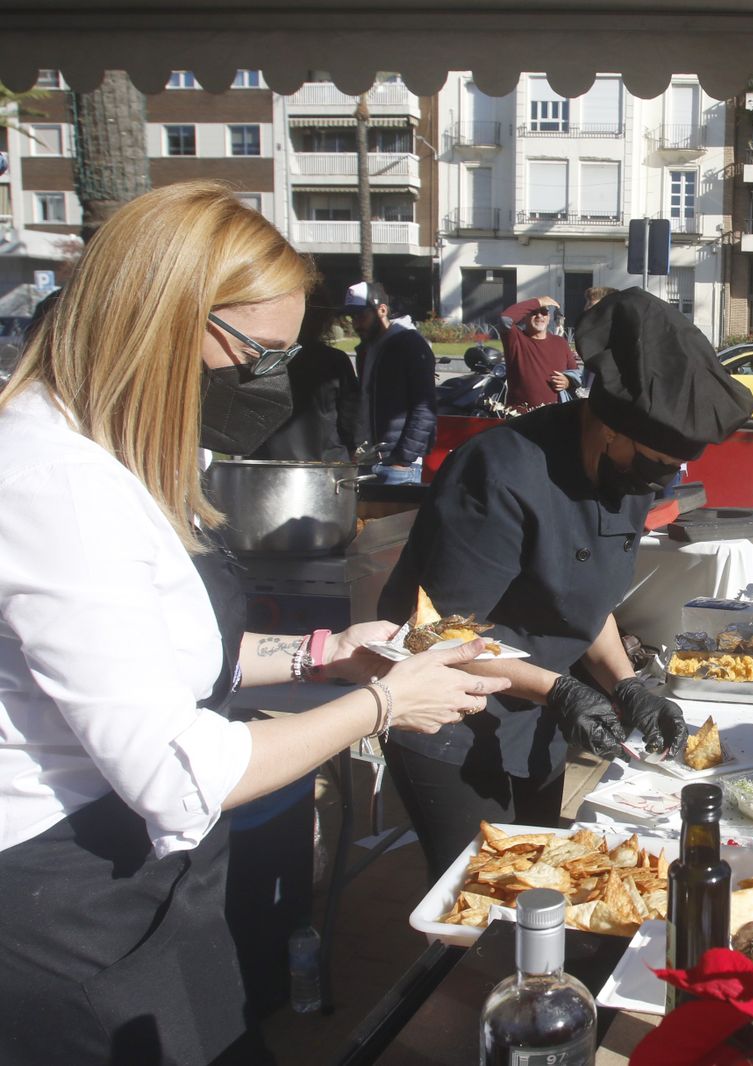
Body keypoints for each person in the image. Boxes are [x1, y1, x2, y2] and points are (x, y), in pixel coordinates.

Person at [0, 181, 506, 1064]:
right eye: (258, 353)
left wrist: (326, 654)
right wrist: (384, 707)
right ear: (160, 319)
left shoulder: (107, 456)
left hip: (154, 885)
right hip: (71, 898)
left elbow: (163, 658)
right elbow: (175, 771)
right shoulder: (56, 485)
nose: (267, 380)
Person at [377, 288, 753, 881]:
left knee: (544, 883)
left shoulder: (624, 474)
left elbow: (583, 597)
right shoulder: (499, 474)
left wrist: (626, 685)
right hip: (449, 721)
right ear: (607, 426)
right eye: (655, 463)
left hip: (537, 716)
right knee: (484, 895)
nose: (660, 482)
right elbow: (440, 638)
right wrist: (559, 690)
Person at [346, 279, 437, 485]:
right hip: (370, 459)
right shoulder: (366, 349)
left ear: (382, 310)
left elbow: (425, 407)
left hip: (399, 466)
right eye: (352, 317)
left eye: (361, 315)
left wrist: (403, 459)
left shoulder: (410, 344)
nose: (356, 324)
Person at [249, 299, 363, 462]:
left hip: (271, 461)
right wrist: (354, 448)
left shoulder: (264, 361)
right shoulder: (335, 360)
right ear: (323, 321)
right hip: (327, 461)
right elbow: (351, 417)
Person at [501, 295, 579, 409]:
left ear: (549, 318)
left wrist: (568, 381)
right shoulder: (516, 339)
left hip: (555, 413)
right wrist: (538, 302)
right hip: (521, 414)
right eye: (533, 312)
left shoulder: (560, 342)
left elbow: (576, 374)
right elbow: (505, 319)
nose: (539, 316)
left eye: (543, 312)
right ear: (524, 317)